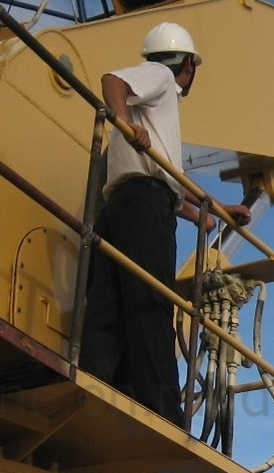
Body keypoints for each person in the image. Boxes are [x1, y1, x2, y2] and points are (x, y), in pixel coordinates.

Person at [79, 22, 251, 426]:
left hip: (121, 206)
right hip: (143, 205)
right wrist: (126, 121)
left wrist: (210, 210)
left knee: (107, 304)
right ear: (187, 64)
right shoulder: (159, 79)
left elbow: (163, 176)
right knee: (151, 303)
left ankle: (98, 381)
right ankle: (163, 411)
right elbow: (111, 81)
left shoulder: (153, 115)